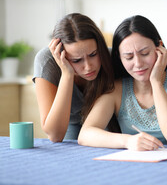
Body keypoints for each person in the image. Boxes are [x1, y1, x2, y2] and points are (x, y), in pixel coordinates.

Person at [78, 15, 167, 150]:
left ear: (160, 48)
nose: (138, 63)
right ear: (119, 57)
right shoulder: (117, 90)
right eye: (129, 57)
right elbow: (85, 134)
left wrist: (156, 82)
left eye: (145, 53)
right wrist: (127, 141)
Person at [33, 13, 116, 142]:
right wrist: (67, 74)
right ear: (61, 54)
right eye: (76, 60)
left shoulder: (113, 58)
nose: (88, 67)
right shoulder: (47, 61)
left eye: (93, 54)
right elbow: (55, 135)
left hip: (106, 120)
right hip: (68, 124)